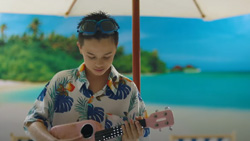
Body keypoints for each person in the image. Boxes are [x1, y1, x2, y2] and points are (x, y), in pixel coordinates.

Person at [24, 11, 150, 141]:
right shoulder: (61, 81)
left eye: (107, 56)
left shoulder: (129, 90)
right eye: (91, 56)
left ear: (116, 47)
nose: (99, 63)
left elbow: (143, 135)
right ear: (80, 48)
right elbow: (32, 122)